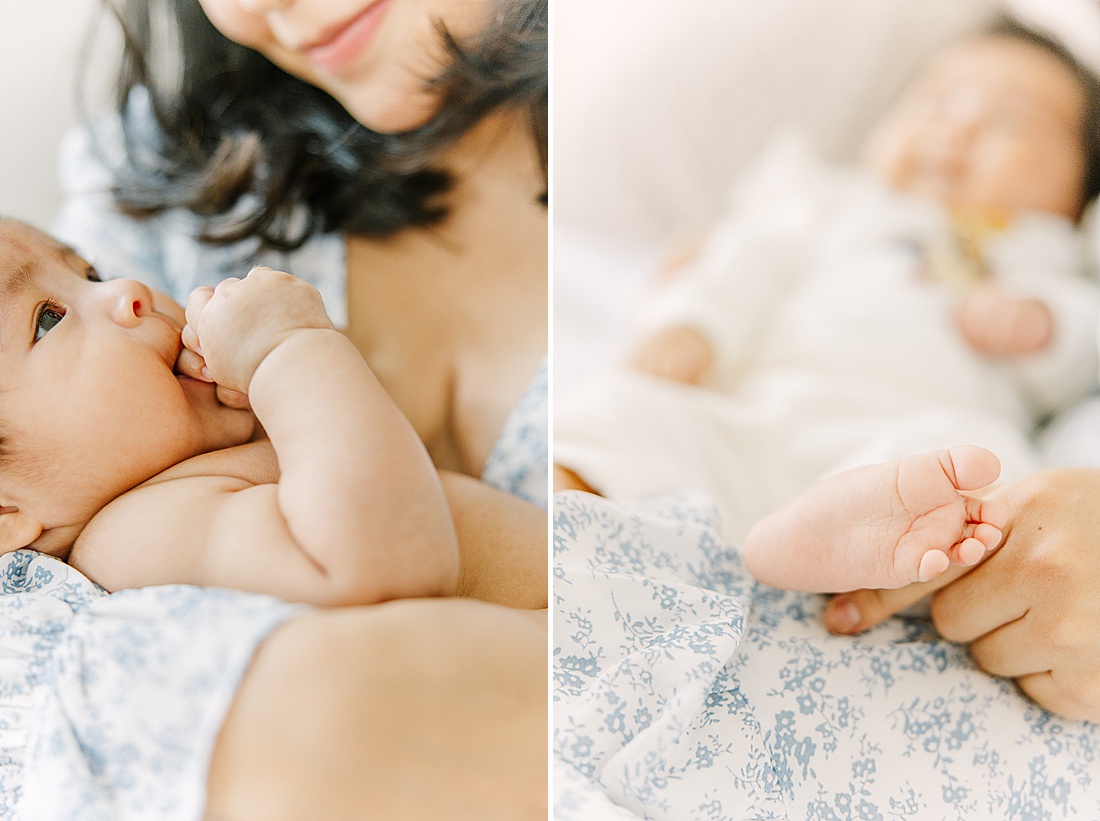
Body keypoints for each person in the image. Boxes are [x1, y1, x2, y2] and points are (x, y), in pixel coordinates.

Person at [3, 0, 548, 818]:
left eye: (84, 271)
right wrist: (292, 351)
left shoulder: (188, 473)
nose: (122, 291)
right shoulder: (145, 530)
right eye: (50, 319)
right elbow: (379, 567)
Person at [555, 19, 1100, 557]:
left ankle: (839, 555)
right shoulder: (827, 201)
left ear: (1077, 190)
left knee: (993, 476)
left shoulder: (1049, 256)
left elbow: (1085, 356)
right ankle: (561, 508)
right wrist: (691, 323)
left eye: (1011, 125)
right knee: (621, 411)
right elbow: (745, 261)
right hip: (757, 414)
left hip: (906, 445)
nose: (954, 130)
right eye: (935, 100)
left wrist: (1047, 324)